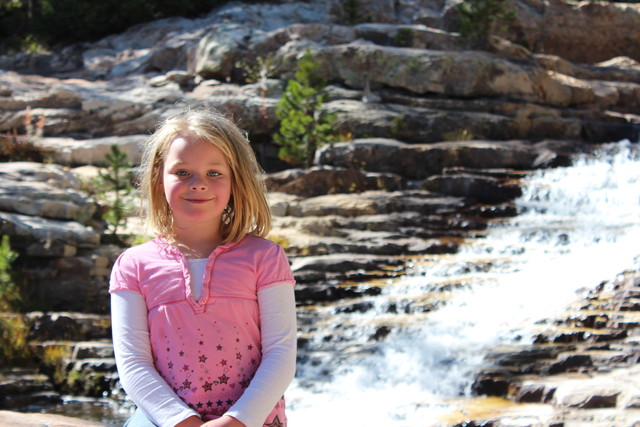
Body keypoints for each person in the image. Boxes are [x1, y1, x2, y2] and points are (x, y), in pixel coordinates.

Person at [109, 108, 297, 427]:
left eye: (214, 173)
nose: (198, 184)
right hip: (163, 421)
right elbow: (133, 363)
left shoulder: (265, 258)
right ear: (158, 176)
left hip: (251, 420)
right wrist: (181, 421)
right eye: (182, 172)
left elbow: (280, 355)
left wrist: (236, 421)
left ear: (235, 180)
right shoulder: (133, 267)